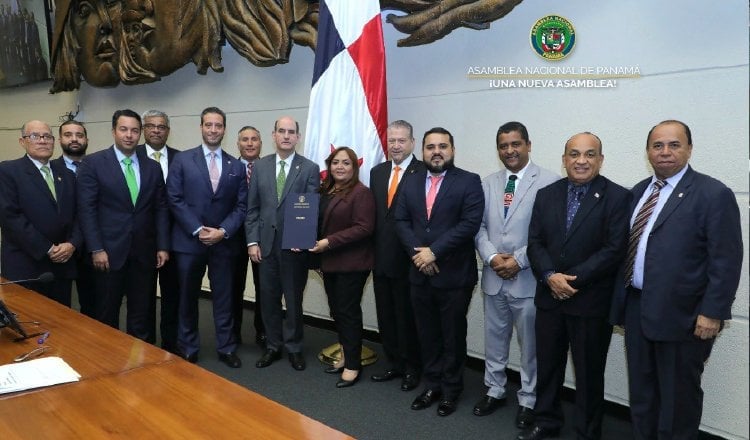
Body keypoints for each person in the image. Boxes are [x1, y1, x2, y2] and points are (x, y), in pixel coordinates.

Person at [610, 120, 743, 440]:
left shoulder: (713, 193)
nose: (665, 152)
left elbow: (726, 259)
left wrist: (713, 312)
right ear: (648, 152)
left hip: (685, 315)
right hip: (637, 307)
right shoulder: (639, 192)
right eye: (658, 146)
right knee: (642, 392)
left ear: (689, 149)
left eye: (674, 145)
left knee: (677, 397)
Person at [524, 132, 630, 440]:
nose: (581, 161)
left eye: (589, 154)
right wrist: (548, 276)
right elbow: (534, 242)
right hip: (549, 298)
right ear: (564, 159)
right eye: (574, 154)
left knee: (588, 373)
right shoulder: (546, 194)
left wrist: (571, 280)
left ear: (600, 159)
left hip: (589, 302)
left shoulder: (618, 197)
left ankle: (587, 431)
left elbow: (614, 249)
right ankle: (546, 422)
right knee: (548, 367)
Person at [473, 122, 559, 427]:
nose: (509, 151)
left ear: (528, 145)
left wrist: (519, 260)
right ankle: (494, 389)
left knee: (530, 345)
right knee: (494, 339)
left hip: (528, 279)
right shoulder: (487, 183)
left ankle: (529, 399)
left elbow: (551, 233)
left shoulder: (550, 181)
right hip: (494, 276)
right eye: (503, 145)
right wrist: (493, 257)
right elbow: (478, 227)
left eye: (515, 144)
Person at [394, 127, 484, 417]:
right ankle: (431, 385)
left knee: (452, 335)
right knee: (427, 334)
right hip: (420, 272)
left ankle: (451, 390)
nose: (437, 151)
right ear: (422, 151)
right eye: (431, 146)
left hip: (455, 276)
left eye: (443, 146)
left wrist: (435, 251)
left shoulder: (469, 181)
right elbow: (401, 220)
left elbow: (469, 224)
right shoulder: (411, 182)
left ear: (453, 150)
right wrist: (420, 254)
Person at [77, 109, 170, 342]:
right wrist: (96, 248)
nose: (129, 135)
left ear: (140, 133)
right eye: (124, 129)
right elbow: (86, 210)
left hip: (144, 253)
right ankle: (107, 362)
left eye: (135, 130)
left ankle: (141, 367)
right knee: (106, 313)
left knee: (142, 314)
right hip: (108, 254)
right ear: (113, 131)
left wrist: (162, 246)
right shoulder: (93, 163)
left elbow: (160, 208)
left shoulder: (152, 167)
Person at [166, 107, 247, 368]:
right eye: (209, 125)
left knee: (224, 298)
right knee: (187, 297)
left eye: (218, 125)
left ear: (225, 129)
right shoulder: (182, 160)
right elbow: (174, 198)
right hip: (189, 243)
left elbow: (241, 206)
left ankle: (226, 347)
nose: (213, 130)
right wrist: (198, 230)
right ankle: (188, 346)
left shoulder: (236, 165)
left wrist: (223, 231)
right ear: (200, 127)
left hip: (223, 244)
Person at [245, 116, 320, 371]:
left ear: (297, 137)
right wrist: (252, 241)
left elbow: (310, 208)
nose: (286, 136)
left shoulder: (309, 168)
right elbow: (252, 209)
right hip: (265, 246)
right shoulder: (260, 167)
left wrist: (302, 237)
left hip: (293, 247)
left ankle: (295, 347)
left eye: (291, 132)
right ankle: (273, 346)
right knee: (268, 299)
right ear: (274, 135)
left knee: (293, 299)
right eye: (281, 131)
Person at [309, 147, 376, 388]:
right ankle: (348, 355)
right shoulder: (326, 191)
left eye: (346, 163)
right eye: (335, 162)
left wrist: (328, 242)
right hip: (329, 262)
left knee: (348, 312)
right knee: (337, 311)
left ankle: (353, 365)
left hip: (352, 263)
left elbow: (364, 228)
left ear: (354, 167)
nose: (340, 167)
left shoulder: (362, 193)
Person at [368, 120, 425, 391]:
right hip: (380, 258)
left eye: (402, 140)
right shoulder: (377, 172)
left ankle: (413, 367)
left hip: (410, 260)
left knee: (408, 317)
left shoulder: (424, 171)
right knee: (386, 316)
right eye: (392, 140)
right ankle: (394, 363)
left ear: (412, 143)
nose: (396, 145)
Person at [0, 120, 81, 306]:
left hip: (62, 265)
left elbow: (79, 214)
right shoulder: (8, 171)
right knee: (27, 326)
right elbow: (10, 217)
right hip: (26, 266)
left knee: (62, 324)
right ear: (22, 141)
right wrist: (48, 248)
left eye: (47, 136)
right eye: (35, 136)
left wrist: (72, 244)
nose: (43, 141)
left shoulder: (67, 175)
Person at [136, 110, 182, 354]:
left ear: (168, 130)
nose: (156, 130)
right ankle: (146, 345)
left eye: (161, 126)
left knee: (172, 295)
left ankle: (171, 345)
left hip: (175, 240)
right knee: (142, 296)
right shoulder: (132, 158)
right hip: (141, 239)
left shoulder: (182, 159)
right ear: (144, 129)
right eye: (151, 126)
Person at [51, 119, 96, 317]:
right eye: (68, 135)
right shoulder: (49, 168)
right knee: (60, 308)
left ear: (87, 139)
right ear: (60, 139)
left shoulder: (98, 166)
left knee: (94, 305)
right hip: (61, 248)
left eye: (79, 135)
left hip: (93, 249)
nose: (74, 139)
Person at [232, 125, 265, 347]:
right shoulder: (229, 167)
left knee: (264, 287)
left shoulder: (269, 168)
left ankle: (263, 331)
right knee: (233, 287)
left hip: (262, 238)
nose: (250, 143)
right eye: (245, 139)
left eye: (254, 139)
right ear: (238, 143)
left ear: (261, 143)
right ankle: (232, 332)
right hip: (232, 237)